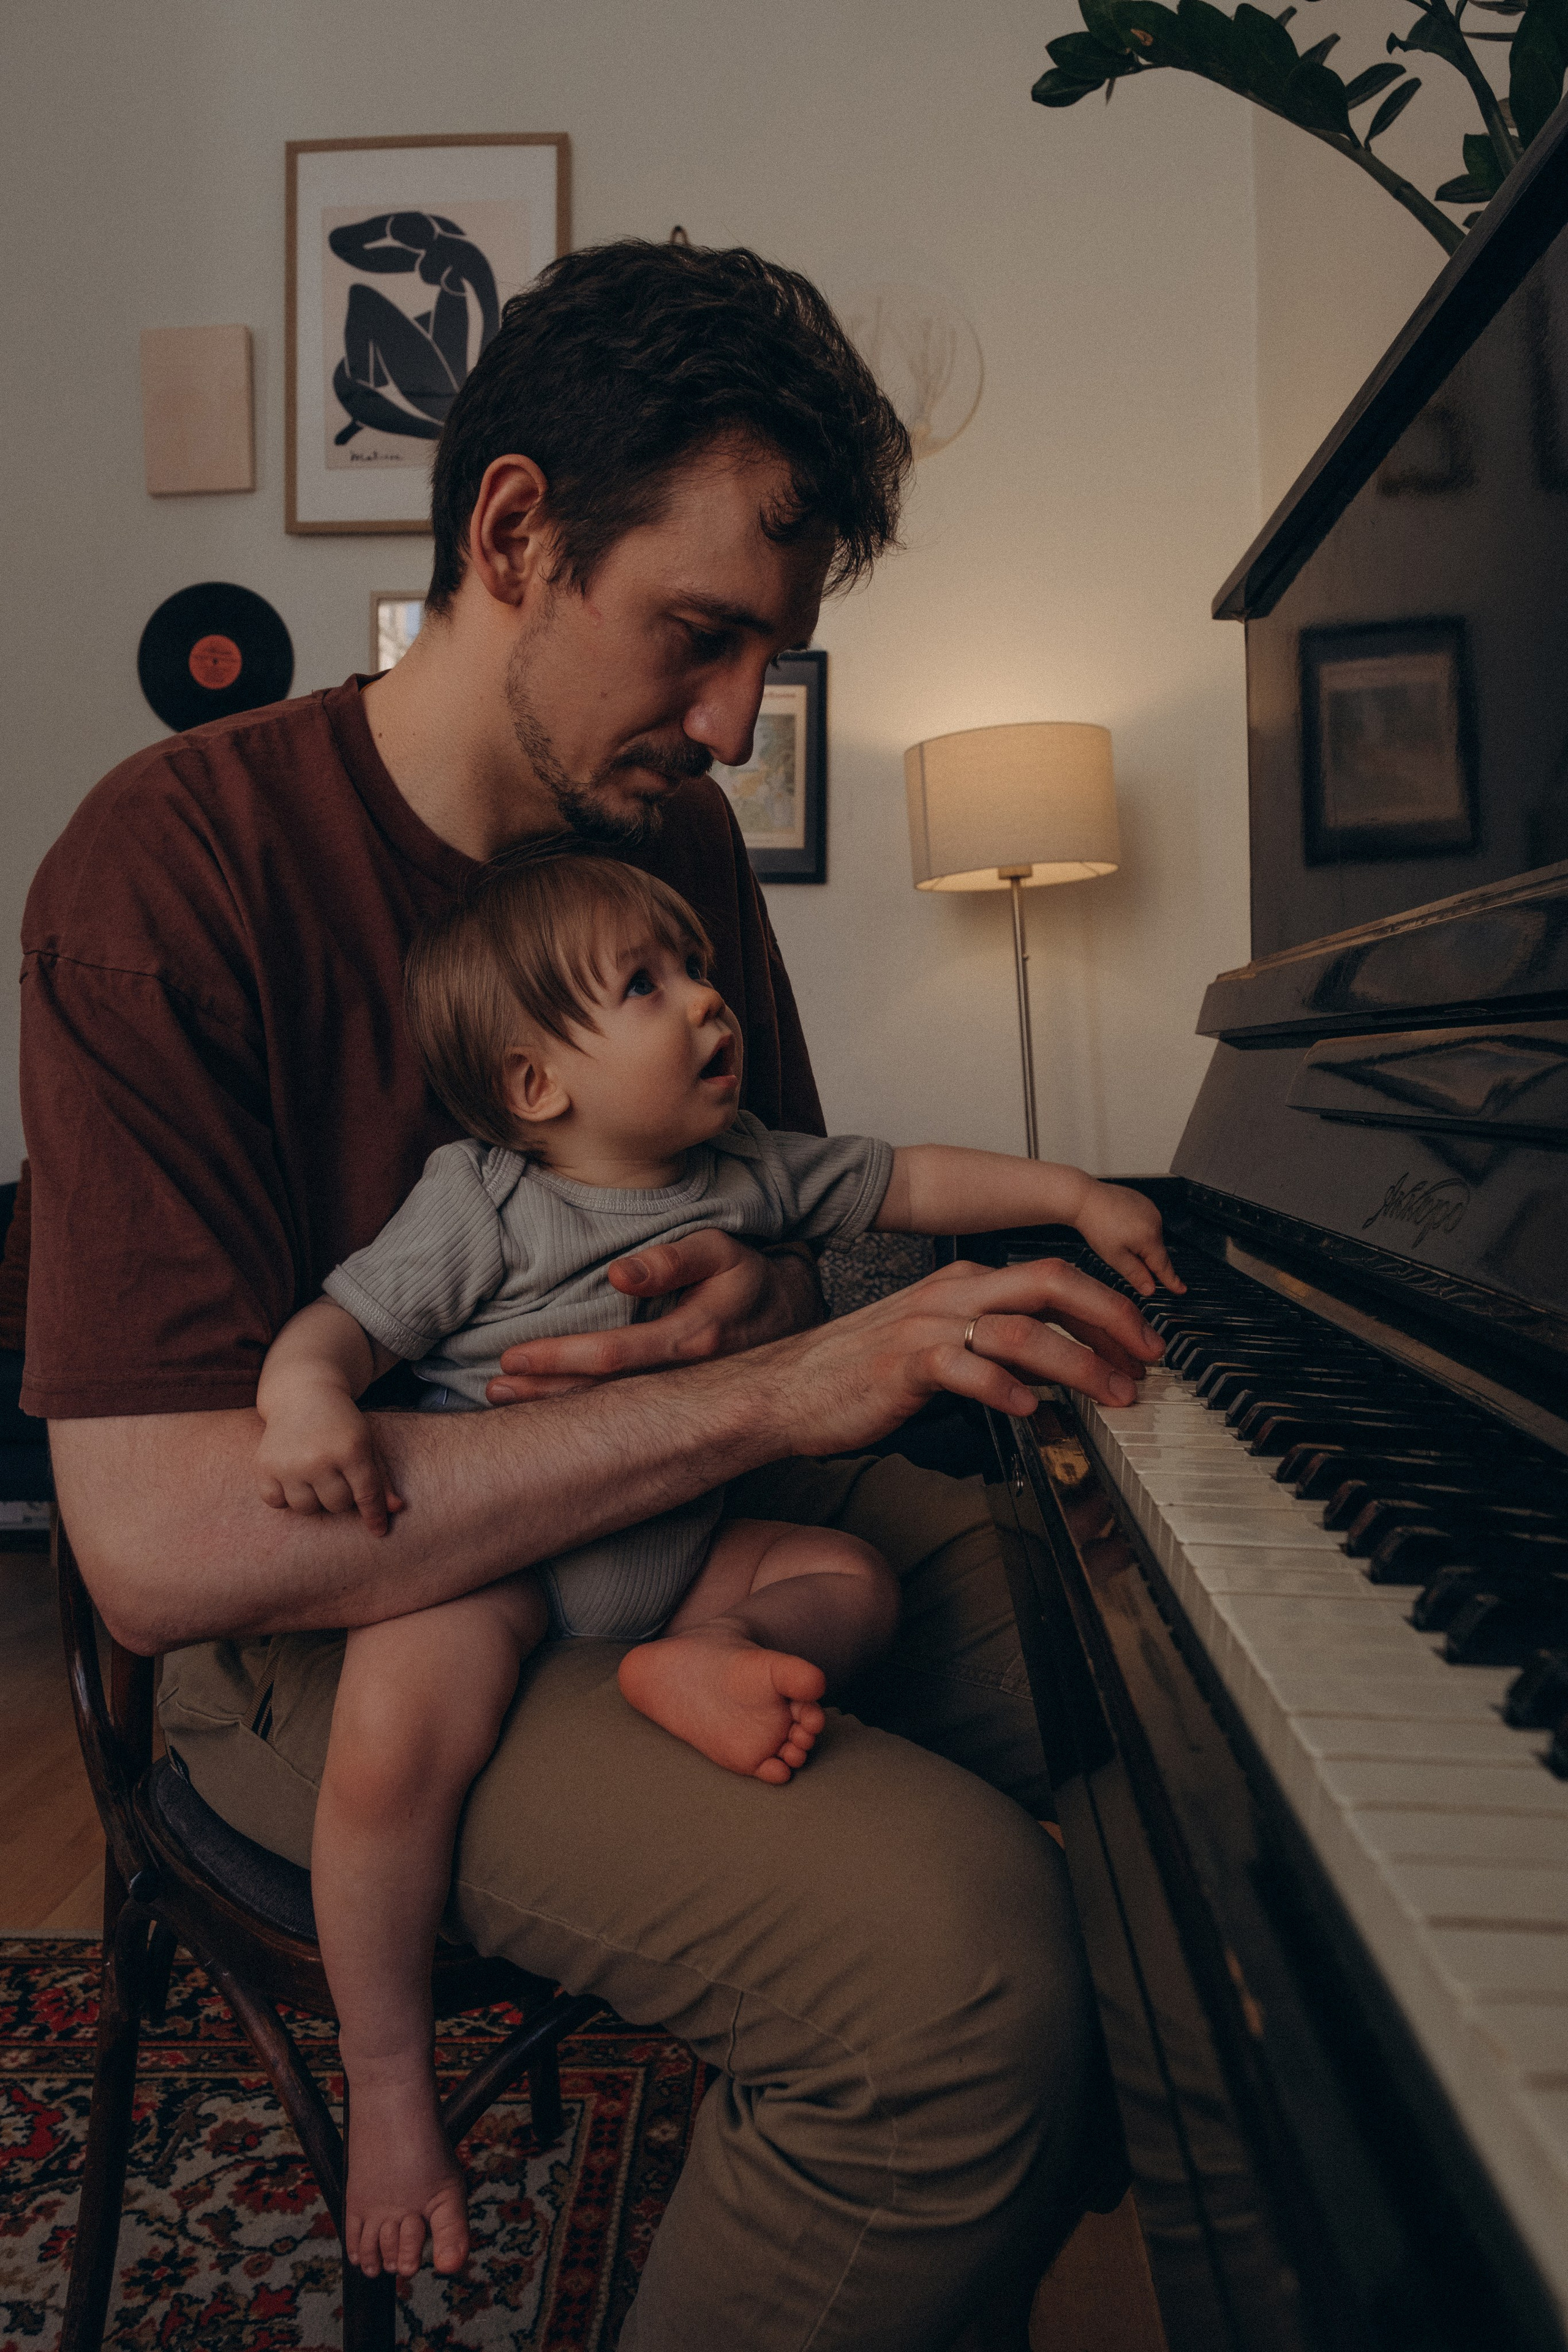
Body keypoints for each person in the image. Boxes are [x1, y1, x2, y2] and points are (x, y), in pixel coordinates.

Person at [22, 239, 1169, 2350]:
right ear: (516, 533)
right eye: (701, 639)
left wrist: (758, 1304)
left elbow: (794, 1224)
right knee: (969, 1976)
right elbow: (168, 1549)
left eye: (771, 659)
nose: (736, 724)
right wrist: (754, 1390)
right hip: (343, 1628)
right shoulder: (168, 864)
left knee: (1163, 1666)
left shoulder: (670, 843)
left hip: (669, 1535)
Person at [252, 849, 1182, 2283]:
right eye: (645, 985)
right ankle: (385, 2087)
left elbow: (908, 1178)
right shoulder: (481, 1200)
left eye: (691, 969)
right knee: (388, 1748)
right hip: (491, 1562)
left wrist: (1072, 1191)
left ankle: (707, 1658)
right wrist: (307, 1402)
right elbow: (341, 1328)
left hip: (680, 1546)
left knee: (845, 1578)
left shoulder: (748, 1161)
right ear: (535, 1086)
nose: (703, 1004)